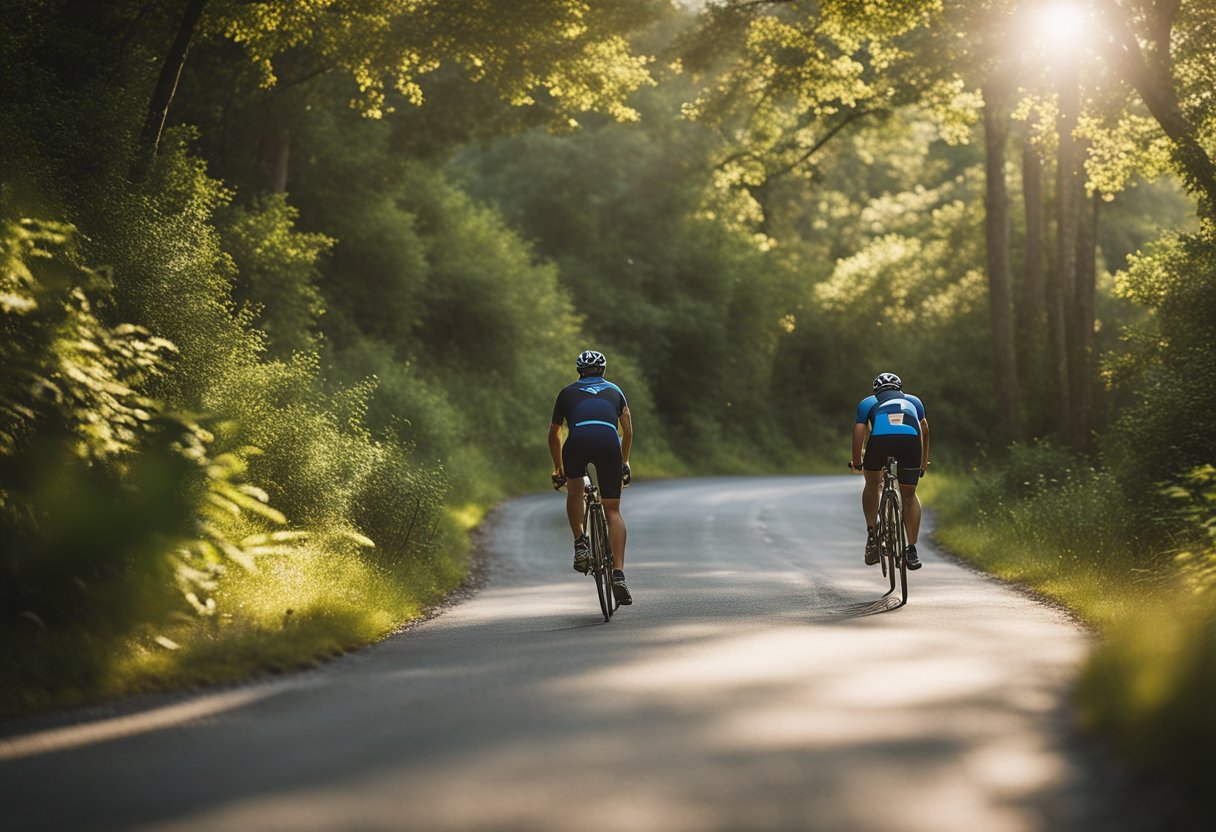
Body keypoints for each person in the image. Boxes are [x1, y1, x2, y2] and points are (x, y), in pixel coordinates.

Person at [549, 350, 634, 605]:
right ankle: (618, 574)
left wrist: (558, 468)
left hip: (577, 444)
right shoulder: (616, 391)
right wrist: (625, 461)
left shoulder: (566, 393)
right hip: (609, 444)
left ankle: (580, 544)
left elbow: (554, 434)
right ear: (603, 371)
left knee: (576, 492)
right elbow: (628, 430)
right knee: (613, 512)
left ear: (579, 371)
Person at [850, 372, 930, 570]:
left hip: (880, 443)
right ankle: (911, 549)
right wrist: (922, 461)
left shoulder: (867, 403)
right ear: (899, 388)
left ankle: (872, 534)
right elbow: (925, 430)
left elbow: (859, 430)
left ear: (876, 390)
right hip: (910, 442)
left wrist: (857, 461)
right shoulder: (914, 401)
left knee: (872, 483)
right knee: (909, 496)